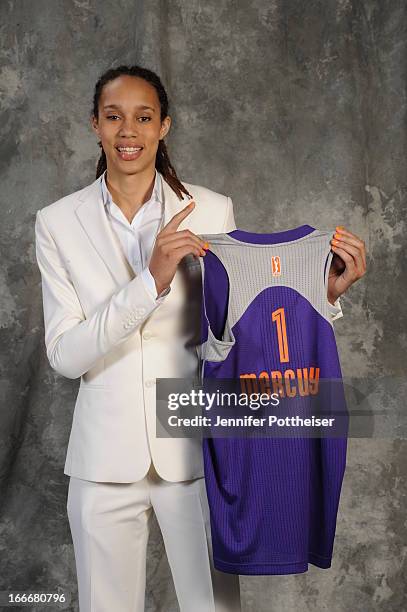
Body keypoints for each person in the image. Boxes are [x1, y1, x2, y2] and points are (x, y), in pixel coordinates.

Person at [34, 65, 366, 612]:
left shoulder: (212, 210)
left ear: (164, 126)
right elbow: (66, 355)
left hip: (200, 449)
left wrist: (321, 299)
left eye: (143, 117)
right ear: (94, 124)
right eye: (113, 117)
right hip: (102, 460)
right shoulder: (56, 222)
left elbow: (239, 335)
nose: (128, 132)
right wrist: (151, 280)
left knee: (212, 606)